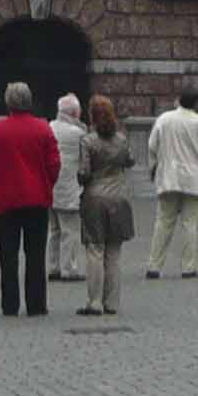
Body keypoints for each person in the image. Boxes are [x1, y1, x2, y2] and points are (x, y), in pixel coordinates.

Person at [0, 81, 61, 317]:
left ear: (8, 103)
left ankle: (10, 304)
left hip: (5, 201)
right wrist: (46, 185)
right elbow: (54, 164)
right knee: (36, 255)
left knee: (8, 256)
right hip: (37, 199)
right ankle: (36, 304)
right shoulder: (43, 128)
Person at [145, 79, 198, 280]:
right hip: (194, 178)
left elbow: (152, 145)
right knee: (189, 224)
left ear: (179, 99)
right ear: (197, 102)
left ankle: (154, 266)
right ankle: (188, 267)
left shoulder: (164, 119)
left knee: (163, 222)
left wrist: (155, 166)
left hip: (169, 176)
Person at [76, 96, 136, 316]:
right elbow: (131, 160)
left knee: (95, 250)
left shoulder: (88, 141)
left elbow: (84, 172)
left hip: (95, 199)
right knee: (114, 253)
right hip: (119, 198)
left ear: (92, 115)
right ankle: (112, 302)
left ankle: (94, 302)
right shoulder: (121, 139)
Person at [47, 92, 88, 287]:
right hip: (70, 188)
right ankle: (68, 268)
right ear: (74, 113)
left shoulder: (49, 128)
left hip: (50, 187)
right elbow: (85, 160)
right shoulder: (78, 133)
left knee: (54, 230)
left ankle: (53, 267)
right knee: (70, 231)